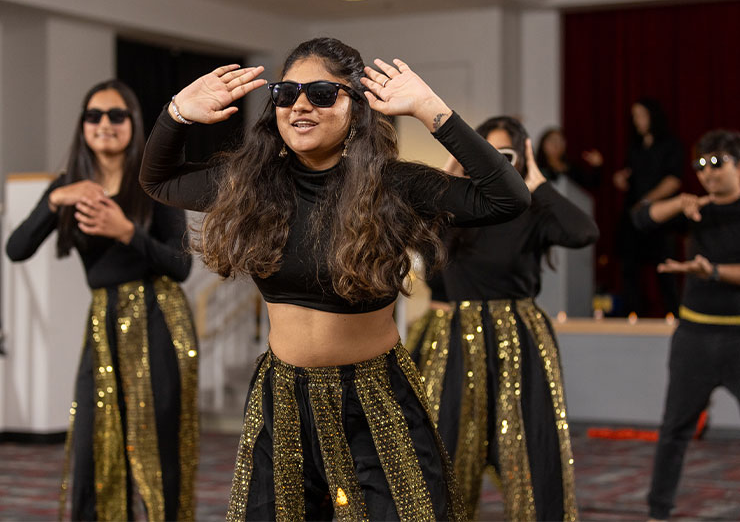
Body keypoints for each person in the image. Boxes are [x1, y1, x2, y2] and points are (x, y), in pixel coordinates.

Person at [139, 37, 531, 520]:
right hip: (282, 398)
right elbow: (158, 180)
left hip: (374, 398)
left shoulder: (392, 185)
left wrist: (432, 110)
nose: (300, 105)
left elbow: (507, 198)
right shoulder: (254, 187)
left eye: (323, 93)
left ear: (357, 108)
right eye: (286, 94)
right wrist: (177, 112)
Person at [6, 80, 198, 521]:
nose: (104, 124)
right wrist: (57, 199)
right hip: (104, 321)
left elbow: (181, 266)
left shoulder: (154, 180)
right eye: (94, 116)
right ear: (82, 125)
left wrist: (126, 231)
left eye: (116, 115)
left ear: (134, 123)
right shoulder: (70, 187)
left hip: (158, 317)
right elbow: (17, 248)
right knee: (95, 446)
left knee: (157, 446)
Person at [409, 116, 599, 520]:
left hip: (520, 337)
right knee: (445, 443)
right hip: (455, 339)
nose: (494, 163)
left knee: (531, 445)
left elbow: (583, 232)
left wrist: (537, 183)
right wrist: (447, 178)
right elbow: (420, 253)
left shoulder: (530, 210)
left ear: (522, 157)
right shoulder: (454, 210)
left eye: (505, 155)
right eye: (485, 154)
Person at [632, 130, 740, 521]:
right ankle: (658, 510)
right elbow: (641, 219)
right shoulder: (697, 210)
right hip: (694, 336)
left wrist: (710, 271)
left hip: (737, 336)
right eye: (700, 166)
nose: (708, 174)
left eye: (717, 163)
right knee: (675, 428)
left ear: (737, 164)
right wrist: (678, 201)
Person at [613, 98, 683, 316]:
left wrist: (648, 200)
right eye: (634, 116)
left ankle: (673, 314)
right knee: (630, 267)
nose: (637, 121)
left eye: (640, 115)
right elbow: (631, 175)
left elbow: (673, 180)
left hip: (661, 218)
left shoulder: (670, 145)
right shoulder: (635, 148)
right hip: (634, 217)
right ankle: (633, 314)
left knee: (665, 268)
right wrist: (622, 179)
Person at [535, 126, 602, 189]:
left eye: (560, 141)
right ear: (543, 144)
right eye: (552, 140)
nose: (556, 144)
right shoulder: (537, 169)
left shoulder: (572, 168)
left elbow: (592, 185)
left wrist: (597, 166)